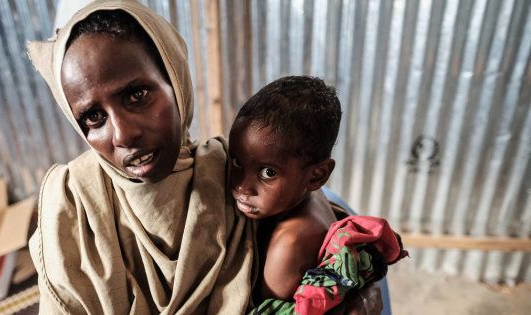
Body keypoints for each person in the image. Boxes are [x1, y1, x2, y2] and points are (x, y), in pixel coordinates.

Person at [28, 1, 382, 313]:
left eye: (137, 95)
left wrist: (356, 290)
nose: (123, 134)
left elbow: (313, 205)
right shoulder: (72, 210)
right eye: (93, 117)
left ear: (176, 81)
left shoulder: (229, 168)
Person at [228, 76, 406, 314]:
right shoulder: (310, 193)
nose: (242, 186)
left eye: (268, 172)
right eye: (237, 161)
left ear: (317, 175)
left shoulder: (288, 244)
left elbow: (265, 310)